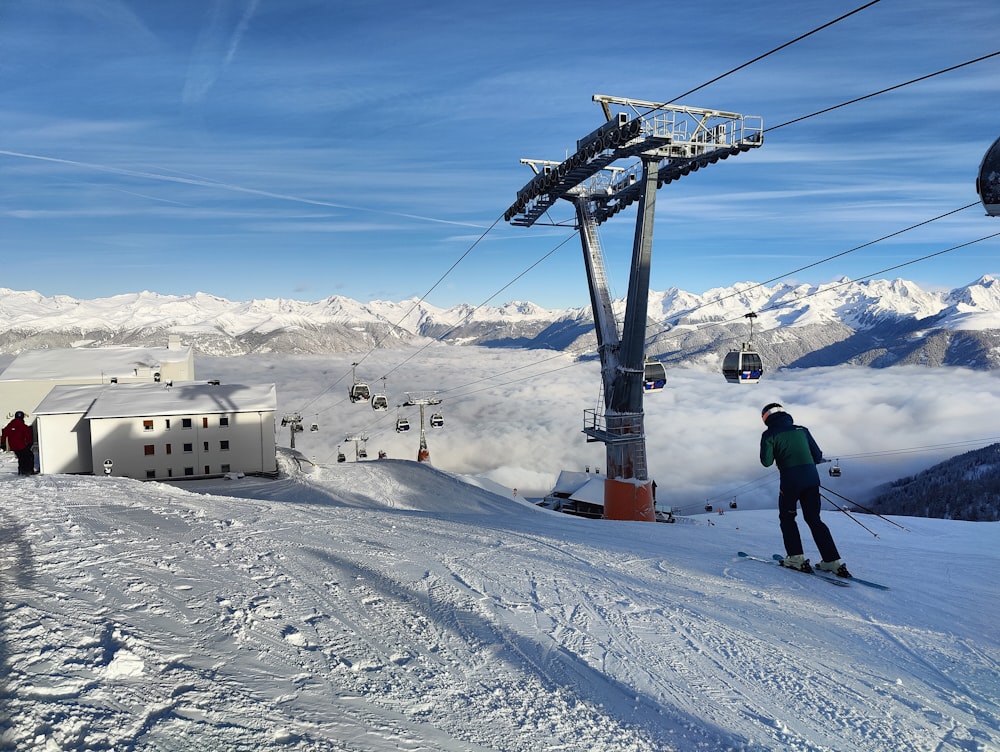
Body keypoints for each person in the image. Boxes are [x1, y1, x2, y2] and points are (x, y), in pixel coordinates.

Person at [759, 403, 850, 577]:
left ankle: (795, 558)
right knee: (814, 519)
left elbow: (766, 461)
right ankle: (832, 561)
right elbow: (817, 455)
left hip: (790, 482)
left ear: (766, 418)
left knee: (787, 518)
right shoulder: (802, 430)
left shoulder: (769, 434)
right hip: (811, 480)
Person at [2, 410, 37, 476]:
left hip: (13, 446)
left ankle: (21, 471)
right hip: (21, 445)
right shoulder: (23, 426)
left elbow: (4, 432)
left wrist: (3, 443)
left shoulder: (10, 425)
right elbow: (28, 435)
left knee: (21, 457)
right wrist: (30, 443)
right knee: (29, 456)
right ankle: (28, 471)